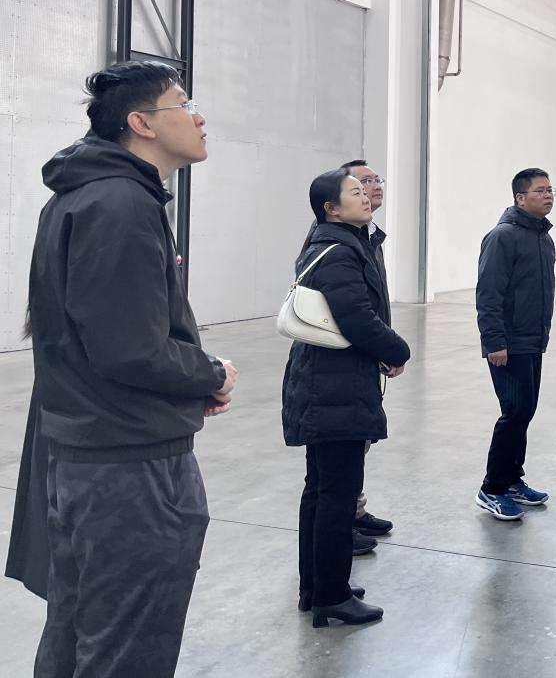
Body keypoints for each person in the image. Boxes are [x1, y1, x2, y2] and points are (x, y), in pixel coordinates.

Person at [10, 60, 236, 678]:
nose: (199, 117)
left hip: (89, 455)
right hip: (131, 467)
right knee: (128, 645)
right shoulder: (122, 204)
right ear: (142, 124)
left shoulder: (84, 196)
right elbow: (131, 349)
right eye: (184, 103)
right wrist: (209, 373)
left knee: (80, 630)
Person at [282, 169, 411, 627]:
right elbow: (357, 318)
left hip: (326, 382)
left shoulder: (335, 242)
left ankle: (316, 586)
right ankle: (331, 596)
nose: (367, 197)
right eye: (355, 192)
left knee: (321, 490)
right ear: (331, 209)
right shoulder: (339, 251)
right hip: (334, 386)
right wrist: (396, 350)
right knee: (336, 495)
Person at [474, 168, 556, 520]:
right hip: (508, 343)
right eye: (540, 190)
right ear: (520, 198)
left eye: (550, 190)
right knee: (514, 413)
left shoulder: (543, 238)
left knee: (525, 411)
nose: (548, 195)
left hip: (532, 340)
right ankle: (492, 488)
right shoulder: (502, 237)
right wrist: (494, 341)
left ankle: (512, 479)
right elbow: (488, 294)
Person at [341, 159, 395, 546]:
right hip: (347, 360)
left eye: (376, 180)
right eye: (363, 183)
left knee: (361, 440)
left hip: (367, 356)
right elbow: (352, 310)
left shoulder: (369, 234)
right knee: (346, 444)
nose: (374, 187)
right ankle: (342, 521)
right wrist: (387, 346)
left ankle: (354, 510)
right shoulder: (344, 240)